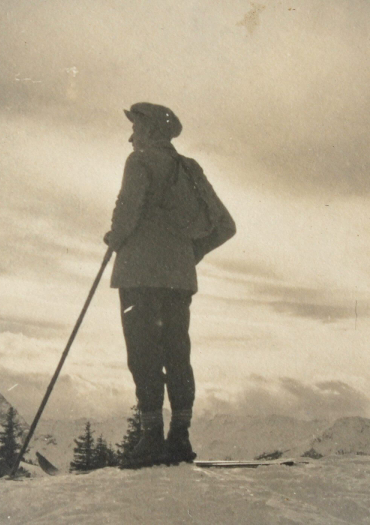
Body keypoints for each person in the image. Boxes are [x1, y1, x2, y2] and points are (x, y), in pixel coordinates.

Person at [105, 103, 235, 468]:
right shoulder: (189, 169)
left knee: (143, 352)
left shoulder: (140, 161)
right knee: (178, 353)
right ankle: (180, 437)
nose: (131, 137)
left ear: (149, 131)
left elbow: (128, 211)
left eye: (136, 128)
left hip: (139, 275)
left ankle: (150, 439)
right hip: (178, 280)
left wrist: (114, 237)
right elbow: (226, 225)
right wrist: (187, 255)